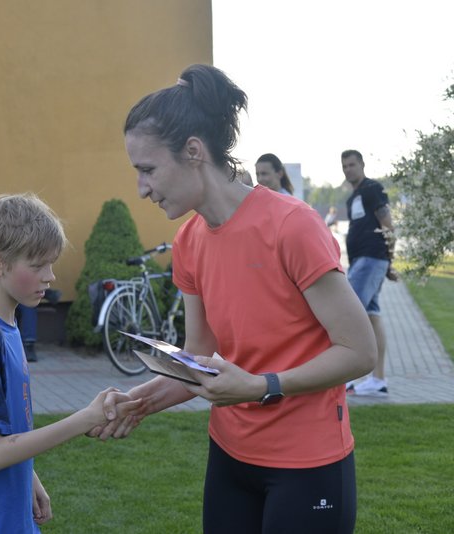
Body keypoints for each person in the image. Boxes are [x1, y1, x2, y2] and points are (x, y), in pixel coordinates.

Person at [94, 65, 376, 533]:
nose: (141, 189)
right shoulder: (189, 241)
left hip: (307, 464)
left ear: (193, 151)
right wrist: (140, 402)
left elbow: (360, 351)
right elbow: (198, 358)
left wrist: (263, 386)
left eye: (147, 170)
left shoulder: (292, 226)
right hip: (229, 458)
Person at [0, 193, 137, 533]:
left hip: (6, 507)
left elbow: (3, 425)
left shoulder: (6, 324)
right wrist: (85, 418)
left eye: (51, 264)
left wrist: (28, 476)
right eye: (38, 265)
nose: (50, 276)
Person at [341, 149, 397, 397]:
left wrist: (389, 261)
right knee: (372, 317)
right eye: (344, 166)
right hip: (360, 262)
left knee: (348, 315)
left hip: (371, 259)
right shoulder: (353, 197)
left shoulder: (372, 188)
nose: (348, 169)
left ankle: (345, 377)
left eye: (352, 164)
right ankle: (378, 380)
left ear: (362, 164)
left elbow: (388, 225)